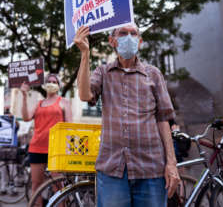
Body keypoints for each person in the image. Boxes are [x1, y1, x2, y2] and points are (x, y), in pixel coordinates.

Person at [74, 24, 180, 207]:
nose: (129, 37)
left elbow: (163, 120)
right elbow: (85, 95)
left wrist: (171, 163)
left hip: (151, 168)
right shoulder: (103, 72)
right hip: (112, 167)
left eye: (133, 33)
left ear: (139, 41)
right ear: (112, 41)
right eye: (123, 33)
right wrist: (85, 54)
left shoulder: (153, 74)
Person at [21, 73, 72, 205]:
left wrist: (68, 149)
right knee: (36, 185)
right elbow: (26, 117)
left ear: (59, 86)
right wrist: (24, 96)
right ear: (44, 85)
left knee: (58, 187)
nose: (51, 83)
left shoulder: (64, 102)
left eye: (54, 82)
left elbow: (69, 127)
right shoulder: (38, 103)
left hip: (56, 150)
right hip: (37, 147)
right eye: (49, 81)